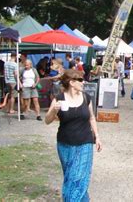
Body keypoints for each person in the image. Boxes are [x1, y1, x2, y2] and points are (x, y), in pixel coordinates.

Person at [44, 69, 102, 201]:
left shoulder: (86, 97)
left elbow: (92, 118)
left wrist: (97, 136)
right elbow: (47, 120)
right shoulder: (59, 99)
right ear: (71, 82)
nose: (83, 82)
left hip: (85, 143)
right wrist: (54, 110)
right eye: (80, 80)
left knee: (79, 177)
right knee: (71, 177)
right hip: (65, 144)